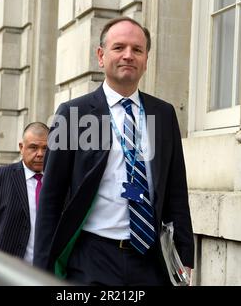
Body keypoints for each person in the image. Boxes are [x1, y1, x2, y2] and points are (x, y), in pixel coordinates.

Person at [33, 17, 194, 285]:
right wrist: (40, 270)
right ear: (101, 55)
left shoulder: (163, 114)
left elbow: (177, 190)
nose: (128, 56)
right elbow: (51, 198)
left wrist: (185, 256)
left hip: (151, 261)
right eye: (119, 47)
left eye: (137, 50)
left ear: (146, 59)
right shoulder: (72, 115)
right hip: (92, 259)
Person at [0, 122, 49, 264]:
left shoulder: (59, 180)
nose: (40, 154)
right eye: (33, 147)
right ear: (22, 147)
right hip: (5, 268)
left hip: (47, 272)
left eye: (45, 148)